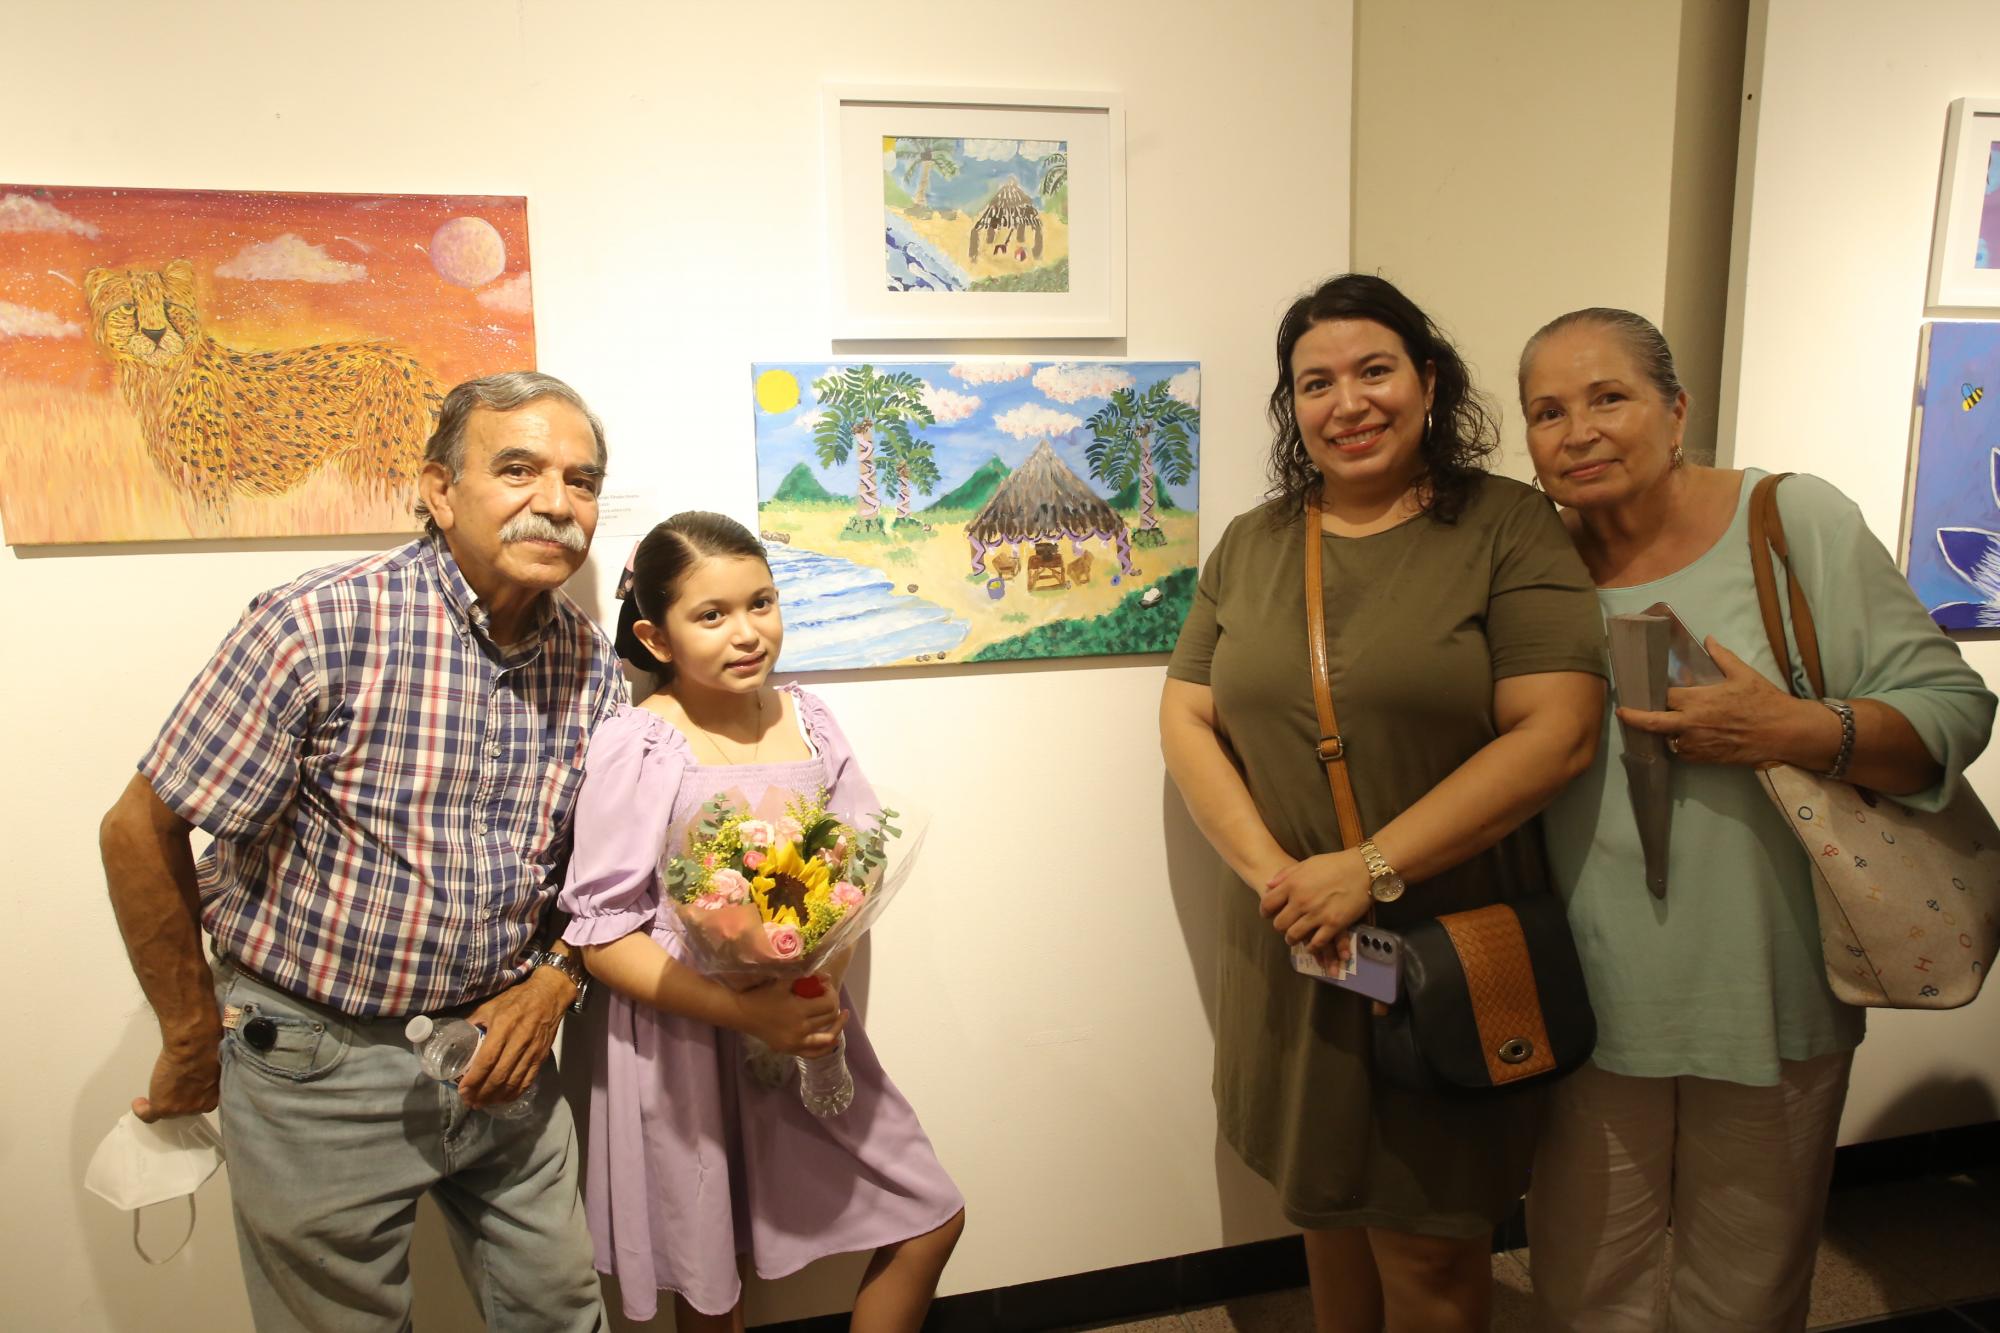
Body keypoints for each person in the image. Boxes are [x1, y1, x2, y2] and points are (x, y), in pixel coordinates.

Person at [97, 371, 622, 1331]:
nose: (557, 501)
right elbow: (139, 828)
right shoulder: (319, 623)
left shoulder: (593, 669)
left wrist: (557, 976)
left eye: (580, 481)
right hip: (315, 1067)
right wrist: (188, 1033)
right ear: (438, 489)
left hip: (503, 1061)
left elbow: (603, 870)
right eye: (518, 469)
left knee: (562, 1309)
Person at [1517, 308, 1995, 1332]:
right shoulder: (1526, 560)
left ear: (1675, 409)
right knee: (1581, 1290)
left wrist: (1789, 726)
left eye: (1608, 397)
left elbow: (1953, 709)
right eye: (1546, 412)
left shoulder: (1787, 520)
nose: (1577, 431)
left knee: (1745, 1292)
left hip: (1768, 983)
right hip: (1588, 989)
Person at [1160, 273, 1607, 1332]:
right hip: (1295, 939)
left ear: (1428, 381)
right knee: (1324, 1210)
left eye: (1374, 370)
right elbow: (1185, 715)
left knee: (1429, 1247)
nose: (1347, 403)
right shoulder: (1254, 542)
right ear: (1292, 405)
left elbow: (1557, 732)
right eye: (1316, 383)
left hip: (1442, 941)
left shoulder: (1505, 526)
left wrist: (1365, 870)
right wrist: (1282, 880)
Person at [557, 510, 965, 1331]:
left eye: (761, 602)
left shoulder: (809, 717)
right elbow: (602, 934)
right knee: (711, 1276)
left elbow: (855, 869)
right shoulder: (642, 742)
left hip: (803, 1021)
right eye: (711, 614)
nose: (746, 632)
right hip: (680, 1038)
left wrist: (812, 990)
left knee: (932, 1213)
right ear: (656, 636)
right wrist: (746, 1011)